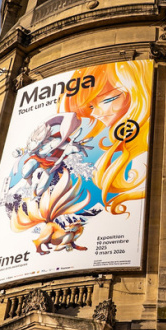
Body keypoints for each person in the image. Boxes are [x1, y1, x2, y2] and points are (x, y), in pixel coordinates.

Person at [61, 61, 153, 215]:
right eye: (91, 107)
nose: (95, 114)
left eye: (104, 100)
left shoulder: (145, 140)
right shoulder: (129, 142)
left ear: (132, 89)